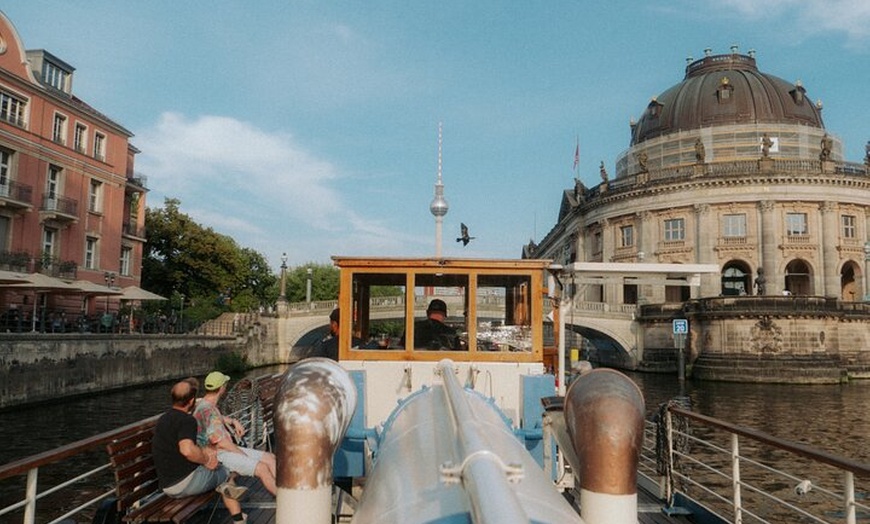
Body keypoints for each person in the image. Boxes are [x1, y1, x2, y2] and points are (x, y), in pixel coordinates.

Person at [151, 379, 247, 522]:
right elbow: (187, 450)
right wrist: (207, 460)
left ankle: (229, 496)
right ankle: (239, 518)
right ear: (191, 401)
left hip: (167, 485)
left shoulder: (163, 419)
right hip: (185, 484)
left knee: (216, 470)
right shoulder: (187, 421)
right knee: (227, 470)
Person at [194, 371, 277, 496]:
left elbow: (216, 418)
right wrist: (242, 454)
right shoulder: (208, 410)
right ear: (222, 388)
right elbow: (222, 443)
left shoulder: (204, 405)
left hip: (223, 449)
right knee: (262, 468)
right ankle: (285, 500)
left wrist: (232, 421)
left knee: (270, 458)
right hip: (219, 454)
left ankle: (284, 492)